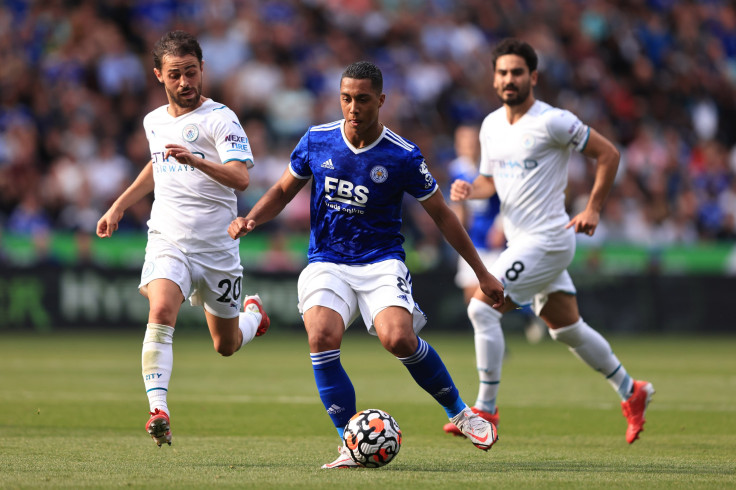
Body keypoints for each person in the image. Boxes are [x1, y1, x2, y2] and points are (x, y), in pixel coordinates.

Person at [228, 61, 506, 468]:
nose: (352, 107)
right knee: (321, 335)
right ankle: (350, 443)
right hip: (327, 260)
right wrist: (252, 217)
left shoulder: (403, 155)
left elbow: (443, 215)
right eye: (345, 98)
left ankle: (461, 412)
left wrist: (482, 273)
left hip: (381, 262)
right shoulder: (317, 140)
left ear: (381, 100)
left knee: (398, 339)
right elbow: (282, 191)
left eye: (361, 99)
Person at [442, 38, 654, 444]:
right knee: (566, 328)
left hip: (549, 239)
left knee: (481, 309)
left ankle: (485, 409)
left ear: (533, 77)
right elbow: (490, 181)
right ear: (494, 78)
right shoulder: (489, 126)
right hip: (522, 242)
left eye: (517, 72)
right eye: (502, 72)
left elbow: (608, 154)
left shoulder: (553, 121)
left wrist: (592, 208)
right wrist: (473, 190)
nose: (509, 79)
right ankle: (632, 390)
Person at [96, 31, 270, 447]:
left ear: (202, 69)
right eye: (175, 74)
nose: (185, 82)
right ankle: (159, 408)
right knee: (161, 309)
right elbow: (155, 167)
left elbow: (242, 178)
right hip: (167, 238)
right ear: (159, 75)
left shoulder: (221, 118)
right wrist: (119, 205)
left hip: (216, 248)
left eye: (191, 72)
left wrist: (196, 160)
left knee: (225, 345)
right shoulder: (153, 121)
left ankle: (253, 317)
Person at [447, 124, 546, 343]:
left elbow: (507, 199)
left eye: (472, 142)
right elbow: (459, 204)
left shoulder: (493, 168)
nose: (469, 147)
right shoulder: (457, 169)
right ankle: (508, 332)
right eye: (464, 142)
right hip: (472, 240)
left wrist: (500, 227)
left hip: (493, 240)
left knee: (492, 296)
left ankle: (527, 314)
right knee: (471, 297)